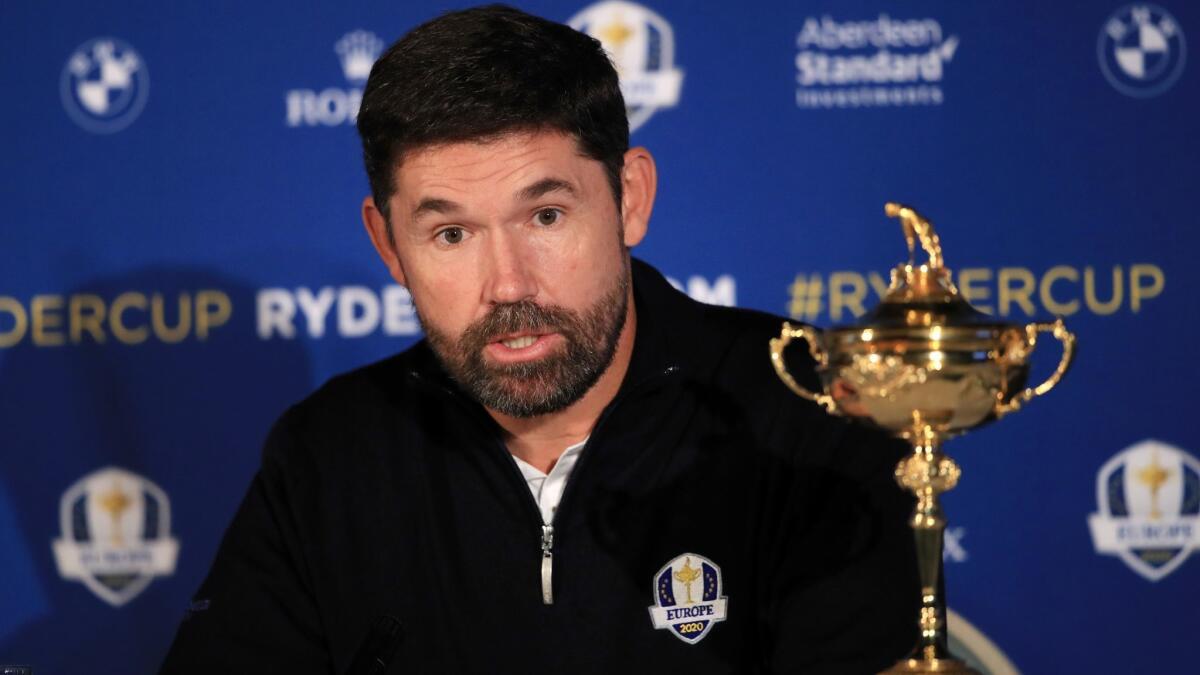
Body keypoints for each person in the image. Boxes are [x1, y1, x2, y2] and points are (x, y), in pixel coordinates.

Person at [161, 5, 919, 673]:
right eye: (451, 233)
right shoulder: (329, 456)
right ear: (389, 246)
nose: (510, 284)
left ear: (629, 199)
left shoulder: (811, 409)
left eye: (546, 216)